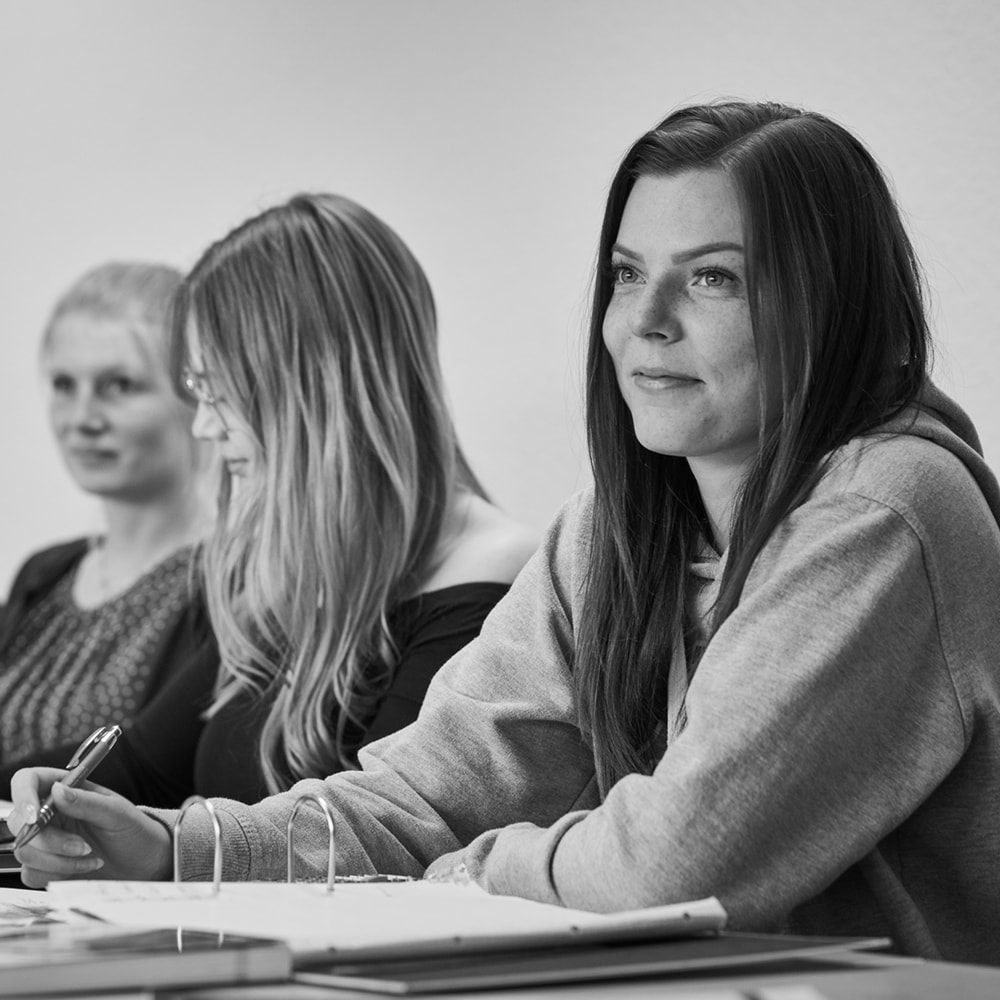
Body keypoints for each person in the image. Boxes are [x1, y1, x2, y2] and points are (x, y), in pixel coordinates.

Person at [11, 102, 1000, 966]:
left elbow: (674, 866)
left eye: (712, 278)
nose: (645, 320)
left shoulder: (883, 512)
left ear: (829, 302)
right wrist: (173, 848)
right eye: (626, 274)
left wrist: (459, 877)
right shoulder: (612, 527)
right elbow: (425, 798)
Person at [5, 193, 536, 808]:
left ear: (306, 385)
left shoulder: (494, 574)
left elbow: (372, 831)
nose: (203, 426)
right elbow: (143, 768)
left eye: (217, 392)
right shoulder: (296, 572)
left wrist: (168, 842)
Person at [0, 262, 215, 795]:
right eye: (64, 385)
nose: (83, 418)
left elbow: (151, 770)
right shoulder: (46, 573)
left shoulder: (228, 583)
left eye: (120, 386)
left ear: (197, 395)